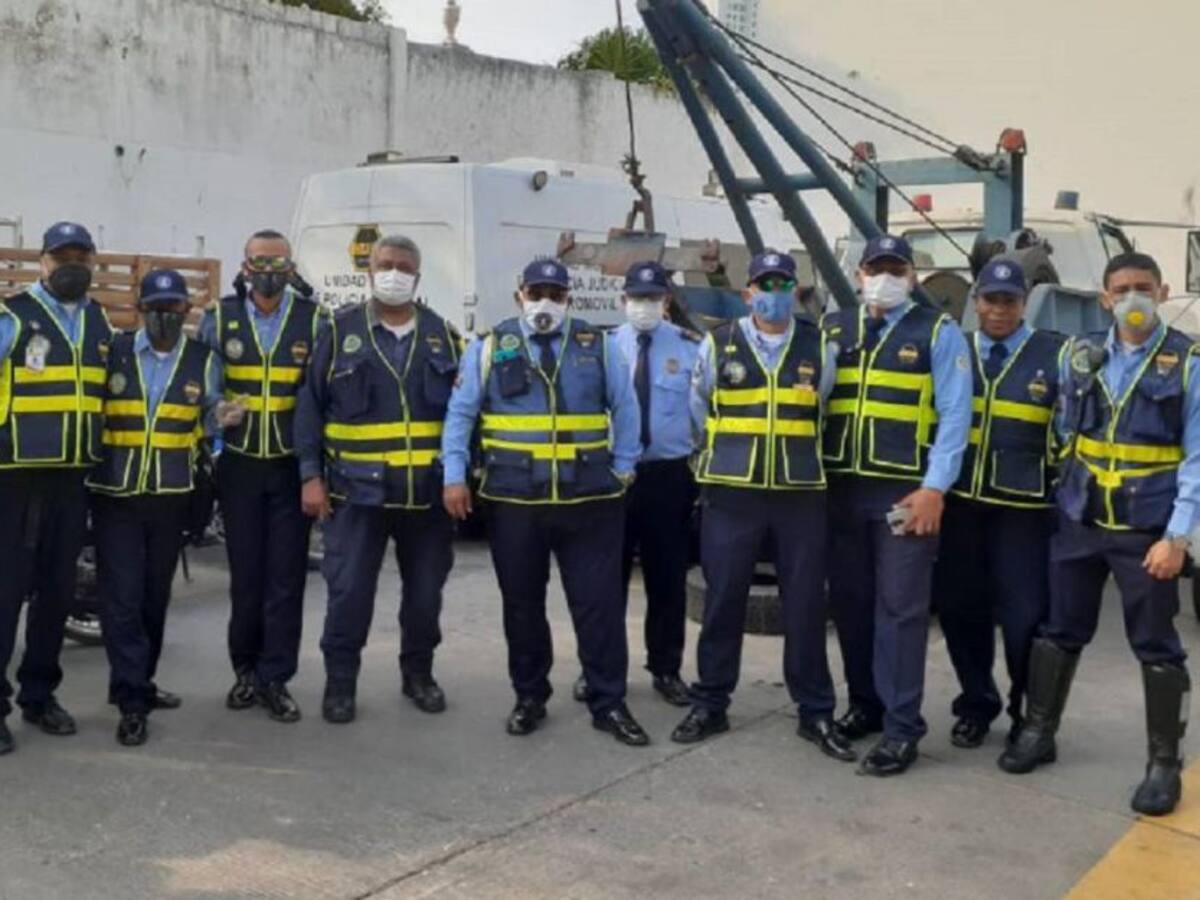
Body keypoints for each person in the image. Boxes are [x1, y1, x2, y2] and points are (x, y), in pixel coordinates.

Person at [999, 251, 1195, 816]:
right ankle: (1039, 732)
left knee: (1156, 645)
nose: (1131, 298)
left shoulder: (1186, 363)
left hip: (1147, 530)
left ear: (1160, 293)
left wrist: (1177, 536)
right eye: (1121, 289)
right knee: (1059, 630)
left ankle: (1163, 765)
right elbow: (1062, 431)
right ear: (1105, 298)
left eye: (1142, 287)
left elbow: (1198, 458)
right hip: (1081, 520)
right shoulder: (1080, 356)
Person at [442, 258, 650, 745]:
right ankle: (529, 697)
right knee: (522, 605)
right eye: (538, 292)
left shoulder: (595, 345)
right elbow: (460, 414)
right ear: (520, 294)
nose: (546, 303)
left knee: (598, 606)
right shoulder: (490, 346)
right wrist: (454, 476)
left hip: (590, 499)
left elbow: (626, 408)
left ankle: (608, 702)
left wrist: (623, 468)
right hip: (516, 499)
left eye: (556, 294)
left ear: (569, 300)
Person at [669, 250, 854, 764]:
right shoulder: (718, 343)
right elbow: (697, 409)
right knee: (723, 600)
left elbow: (825, 406)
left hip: (798, 495)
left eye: (783, 283)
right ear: (747, 293)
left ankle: (815, 711)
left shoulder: (818, 346)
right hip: (731, 494)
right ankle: (711, 703)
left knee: (805, 605)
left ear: (795, 291)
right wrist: (717, 460)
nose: (773, 292)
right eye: (763, 283)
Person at [822, 234, 973, 776]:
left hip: (903, 494)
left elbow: (956, 416)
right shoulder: (833, 328)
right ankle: (865, 703)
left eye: (895, 268)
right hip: (841, 492)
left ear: (910, 276)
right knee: (852, 605)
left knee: (902, 611)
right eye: (875, 267)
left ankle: (902, 727)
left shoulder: (939, 331)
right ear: (860, 273)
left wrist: (935, 488)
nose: (884, 276)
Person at [295, 235, 459, 724]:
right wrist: (310, 476)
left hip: (426, 495)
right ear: (369, 272)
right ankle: (340, 684)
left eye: (403, 266)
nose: (393, 273)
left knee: (426, 595)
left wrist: (460, 477)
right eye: (384, 264)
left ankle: (419, 675)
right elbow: (309, 408)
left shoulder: (444, 336)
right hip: (355, 493)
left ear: (418, 276)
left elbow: (465, 415)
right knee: (349, 594)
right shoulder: (339, 332)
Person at [932, 259, 1067, 749]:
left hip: (1024, 511)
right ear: (976, 301)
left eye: (1009, 300)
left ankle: (1027, 716)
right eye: (990, 299)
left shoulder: (1054, 354)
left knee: (1024, 619)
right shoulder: (955, 351)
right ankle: (976, 704)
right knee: (960, 612)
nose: (998, 310)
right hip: (962, 506)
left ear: (1024, 302)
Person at [87, 269, 224, 746]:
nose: (165, 316)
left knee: (153, 599)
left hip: (171, 498)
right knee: (121, 599)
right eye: (156, 307)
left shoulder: (203, 361)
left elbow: (213, 421)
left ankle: (137, 681)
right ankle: (131, 702)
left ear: (186, 313)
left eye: (174, 308)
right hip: (115, 496)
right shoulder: (115, 352)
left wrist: (224, 422)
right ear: (140, 310)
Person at [199, 229, 325, 723]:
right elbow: (204, 386)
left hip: (291, 466)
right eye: (260, 262)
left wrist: (317, 472)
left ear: (291, 268)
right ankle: (245, 673)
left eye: (278, 262)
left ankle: (276, 678)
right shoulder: (218, 318)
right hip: (240, 465)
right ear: (244, 266)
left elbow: (318, 399)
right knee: (247, 576)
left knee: (286, 578)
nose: (269, 271)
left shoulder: (314, 320)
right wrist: (216, 413)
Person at [0, 222, 113, 757]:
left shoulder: (99, 320)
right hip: (15, 475)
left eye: (80, 255)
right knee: (5, 594)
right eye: (60, 255)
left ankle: (40, 696)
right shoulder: (12, 317)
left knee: (56, 594)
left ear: (93, 262)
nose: (71, 264)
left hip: (72, 477)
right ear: (41, 261)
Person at [571, 261, 699, 709]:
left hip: (669, 477)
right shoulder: (602, 348)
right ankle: (599, 670)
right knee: (605, 582)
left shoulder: (690, 348)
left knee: (668, 580)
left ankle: (666, 668)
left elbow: (703, 414)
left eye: (653, 298)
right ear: (622, 300)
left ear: (667, 301)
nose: (644, 306)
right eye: (636, 298)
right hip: (612, 477)